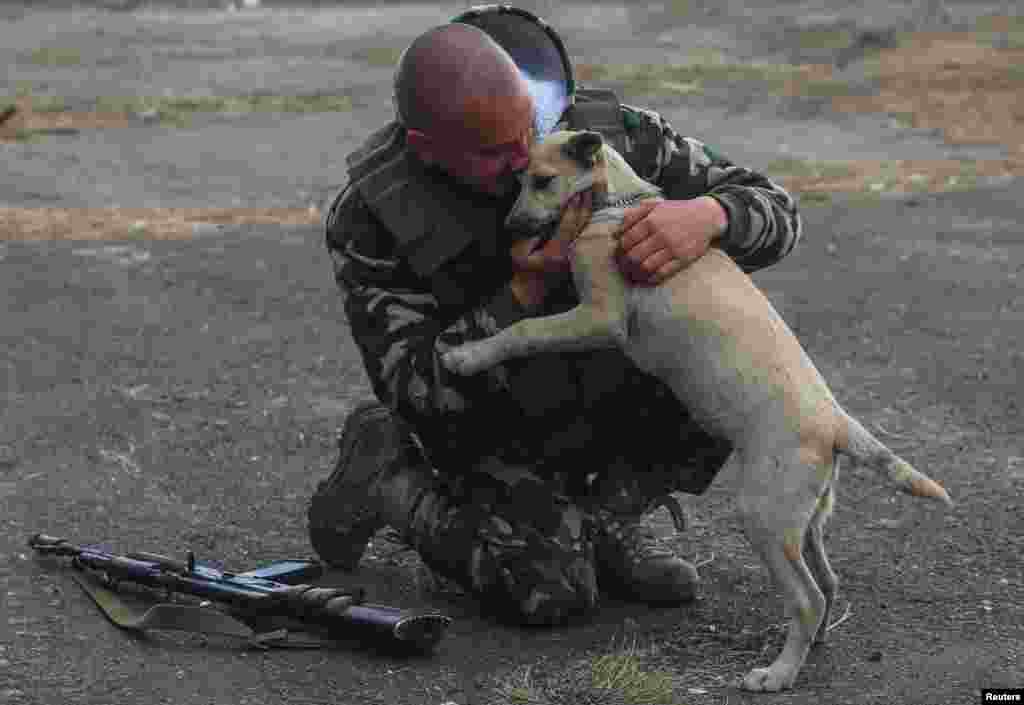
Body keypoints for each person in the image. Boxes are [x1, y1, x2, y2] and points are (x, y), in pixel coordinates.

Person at [310, 6, 801, 626]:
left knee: (741, 363)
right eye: (494, 153)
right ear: (426, 150)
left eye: (527, 132)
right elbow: (419, 391)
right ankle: (388, 479)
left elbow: (778, 212)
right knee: (550, 594)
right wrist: (523, 289)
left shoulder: (595, 138)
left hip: (613, 386)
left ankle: (606, 516)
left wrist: (709, 217)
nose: (522, 161)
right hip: (493, 424)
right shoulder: (376, 218)